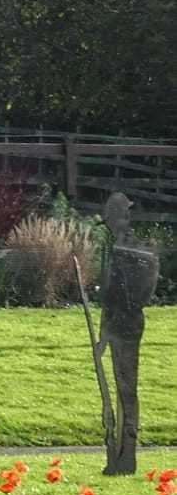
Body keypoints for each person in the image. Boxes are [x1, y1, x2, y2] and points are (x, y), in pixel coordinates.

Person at [98, 192, 158, 475]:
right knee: (118, 388)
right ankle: (120, 453)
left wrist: (110, 328)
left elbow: (129, 293)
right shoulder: (114, 248)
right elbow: (109, 296)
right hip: (114, 322)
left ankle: (127, 453)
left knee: (126, 389)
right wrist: (102, 334)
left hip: (128, 323)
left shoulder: (133, 250)